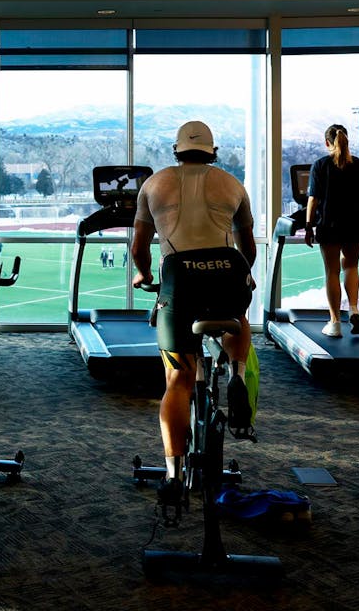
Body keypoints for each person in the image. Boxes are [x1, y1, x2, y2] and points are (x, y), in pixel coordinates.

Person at [130, 120, 258, 510]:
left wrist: (146, 274)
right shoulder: (232, 184)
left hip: (180, 275)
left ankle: (172, 473)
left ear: (176, 151)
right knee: (238, 315)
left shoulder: (154, 184)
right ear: (213, 153)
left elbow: (139, 246)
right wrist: (242, 276)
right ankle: (236, 374)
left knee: (178, 379)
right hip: (227, 269)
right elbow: (247, 247)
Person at [303, 123, 359, 338]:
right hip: (355, 224)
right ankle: (353, 309)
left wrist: (308, 226)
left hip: (329, 225)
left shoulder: (320, 165)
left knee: (332, 271)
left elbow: (313, 199)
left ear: (327, 143)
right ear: (347, 140)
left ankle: (334, 322)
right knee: (351, 266)